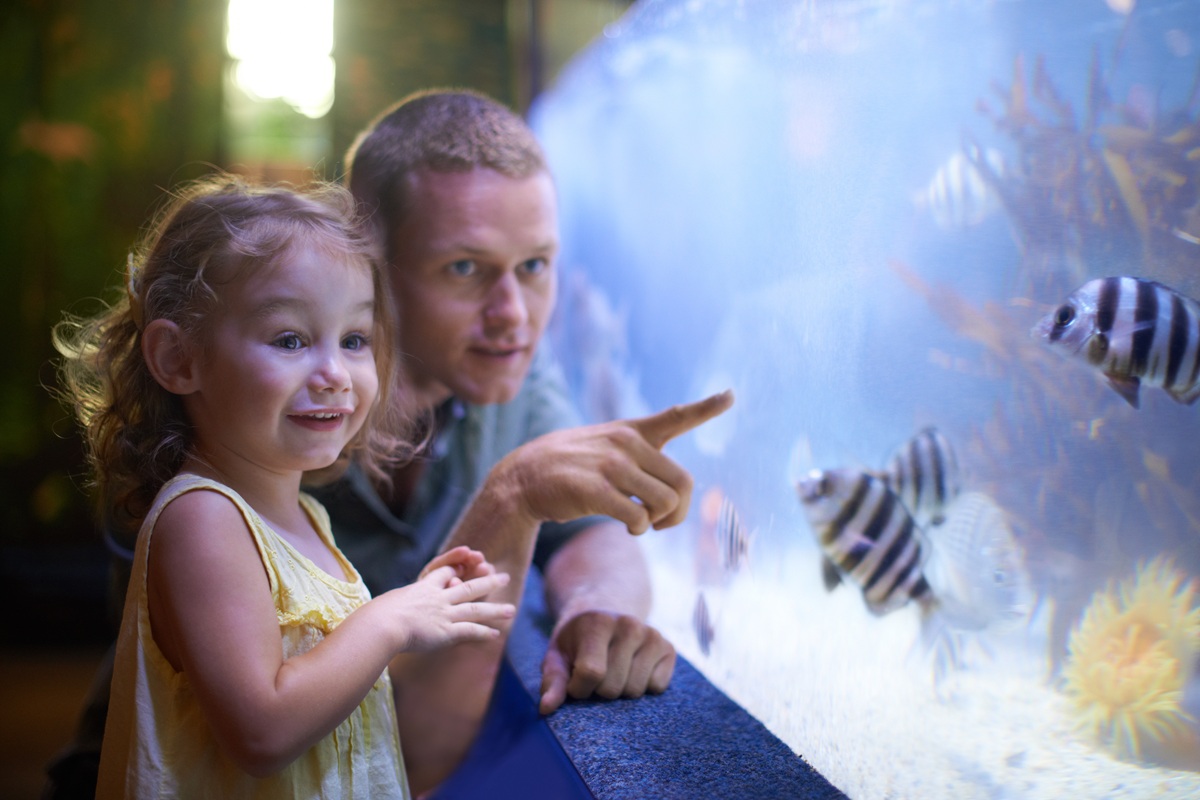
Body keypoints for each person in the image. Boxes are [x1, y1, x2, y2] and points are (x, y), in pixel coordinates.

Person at [317, 88, 734, 793]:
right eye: (464, 268)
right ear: (368, 266)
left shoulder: (507, 367)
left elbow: (588, 534)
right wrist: (511, 493)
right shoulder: (269, 409)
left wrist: (597, 610)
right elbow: (388, 762)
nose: (513, 315)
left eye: (535, 266)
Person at [51, 175, 515, 797]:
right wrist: (388, 620)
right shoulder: (204, 520)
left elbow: (326, 687)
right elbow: (262, 730)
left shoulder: (306, 518)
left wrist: (421, 602)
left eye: (354, 339)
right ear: (178, 359)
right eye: (290, 339)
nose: (334, 374)